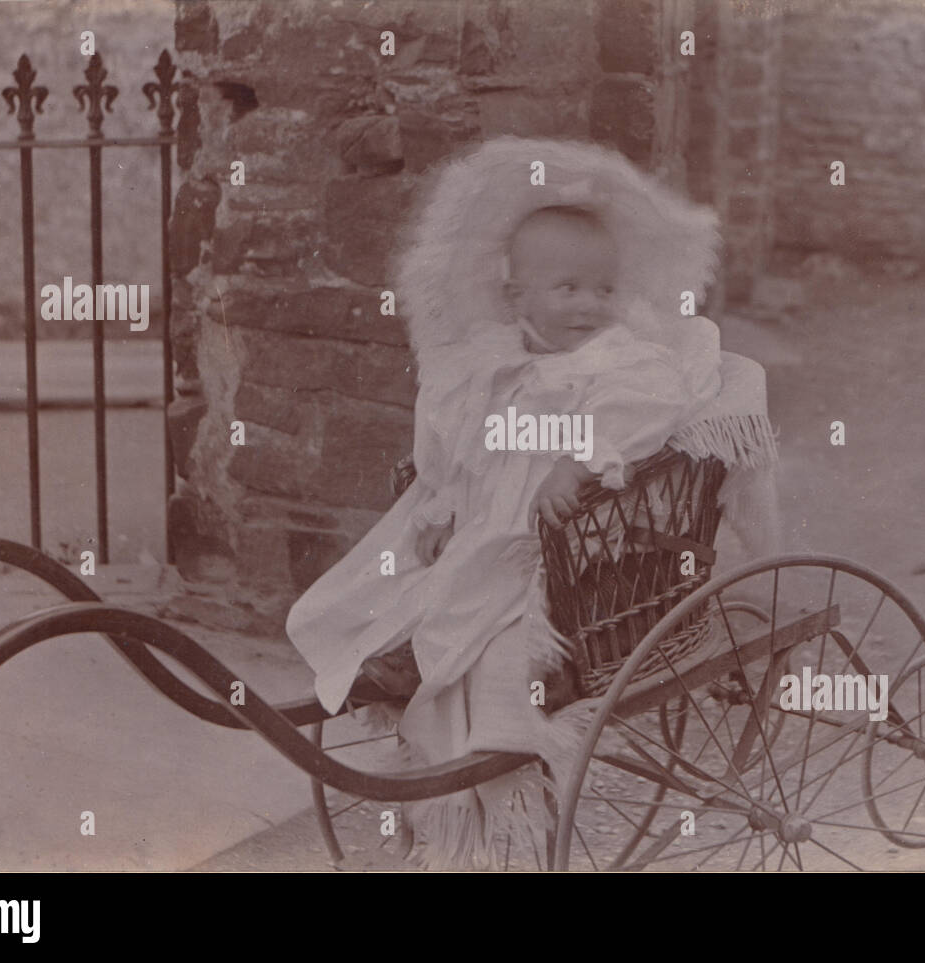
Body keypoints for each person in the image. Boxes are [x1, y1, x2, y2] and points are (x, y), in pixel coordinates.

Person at [286, 138, 780, 868]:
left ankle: (491, 763)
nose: (589, 305)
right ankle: (405, 658)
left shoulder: (622, 360)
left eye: (602, 289)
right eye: (567, 288)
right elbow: (450, 450)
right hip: (486, 530)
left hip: (581, 544)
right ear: (516, 295)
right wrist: (437, 505)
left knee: (498, 638)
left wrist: (576, 459)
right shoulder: (492, 362)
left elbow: (651, 407)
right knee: (396, 590)